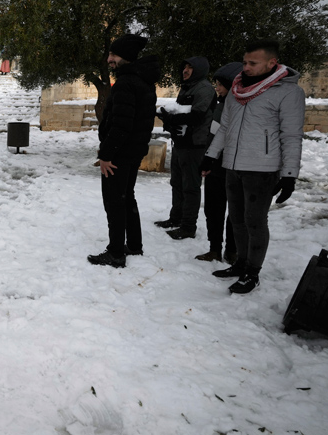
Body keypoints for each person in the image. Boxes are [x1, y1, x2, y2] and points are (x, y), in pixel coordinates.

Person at [201, 39, 305, 294]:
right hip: (232, 165)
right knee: (236, 219)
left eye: (252, 63)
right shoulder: (237, 90)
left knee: (254, 221)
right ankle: (240, 263)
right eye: (245, 62)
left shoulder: (288, 92)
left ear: (272, 63)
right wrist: (211, 156)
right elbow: (225, 128)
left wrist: (289, 175)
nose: (245, 67)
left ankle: (252, 272)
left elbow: (291, 135)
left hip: (262, 168)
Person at [88, 33, 160, 268]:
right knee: (126, 197)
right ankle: (135, 245)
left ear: (126, 57)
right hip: (132, 151)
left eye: (113, 54)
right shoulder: (142, 79)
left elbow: (121, 125)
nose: (109, 59)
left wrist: (106, 155)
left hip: (120, 154)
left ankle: (116, 252)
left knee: (115, 201)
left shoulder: (128, 83)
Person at [155, 57, 215, 239]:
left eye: (190, 68)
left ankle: (188, 227)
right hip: (180, 142)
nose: (185, 71)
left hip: (194, 145)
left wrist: (173, 119)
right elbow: (181, 111)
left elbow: (197, 116)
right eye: (184, 67)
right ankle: (176, 218)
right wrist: (169, 119)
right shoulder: (187, 87)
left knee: (190, 186)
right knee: (177, 183)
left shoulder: (204, 88)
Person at [195, 62, 242, 263]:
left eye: (220, 84)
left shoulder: (239, 107)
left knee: (234, 213)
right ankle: (214, 248)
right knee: (213, 211)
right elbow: (212, 135)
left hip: (232, 168)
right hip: (214, 167)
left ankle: (232, 251)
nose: (217, 88)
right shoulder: (219, 104)